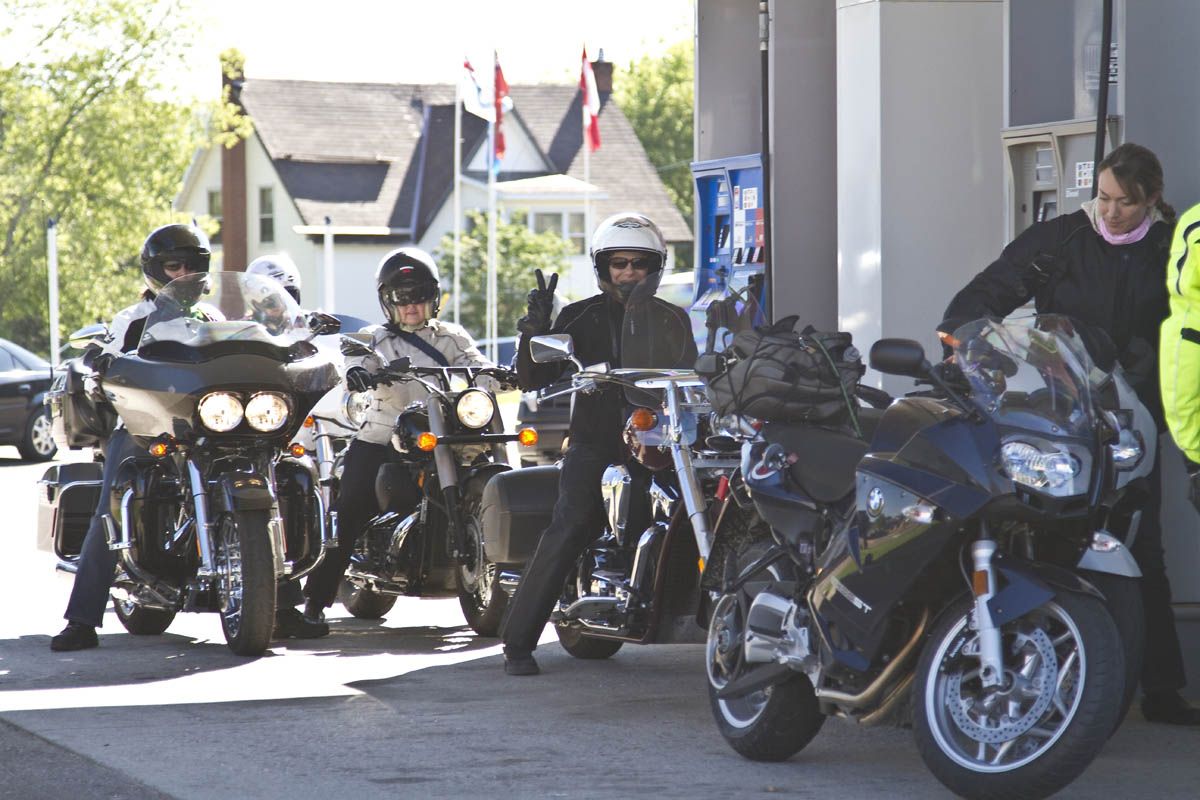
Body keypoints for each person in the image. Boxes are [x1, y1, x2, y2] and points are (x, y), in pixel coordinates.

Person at [942, 142, 1200, 724]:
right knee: (1044, 539)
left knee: (1143, 550)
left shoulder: (1173, 248)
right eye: (1103, 198)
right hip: (1061, 415)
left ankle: (1159, 689)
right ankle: (1041, 673)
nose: (1109, 213)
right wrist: (961, 341)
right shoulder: (1061, 238)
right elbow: (990, 290)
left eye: (1125, 203)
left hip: (1140, 421)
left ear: (1153, 200)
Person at [500, 212, 697, 676]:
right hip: (596, 444)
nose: (628, 272)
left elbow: (694, 374)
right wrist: (533, 330)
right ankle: (518, 642)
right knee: (572, 523)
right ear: (603, 266)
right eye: (619, 263)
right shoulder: (580, 316)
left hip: (659, 440)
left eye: (639, 263)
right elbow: (532, 378)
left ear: (655, 267)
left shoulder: (673, 320)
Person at [300, 246, 493, 623]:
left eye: (419, 297)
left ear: (433, 298)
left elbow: (477, 366)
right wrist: (358, 373)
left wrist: (501, 374)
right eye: (401, 299)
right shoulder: (375, 339)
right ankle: (315, 605)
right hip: (384, 435)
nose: (411, 306)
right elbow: (355, 359)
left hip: (443, 433)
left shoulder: (451, 337)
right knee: (351, 508)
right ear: (387, 302)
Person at [50, 223, 212, 651]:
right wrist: (101, 360)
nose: (182, 274)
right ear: (155, 270)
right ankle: (82, 620)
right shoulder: (133, 319)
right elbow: (111, 365)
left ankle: (281, 603)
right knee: (111, 508)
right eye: (173, 266)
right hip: (143, 427)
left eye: (191, 266)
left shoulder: (214, 321)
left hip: (205, 428)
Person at [243, 254, 329, 639]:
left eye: (286, 293)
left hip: (289, 434)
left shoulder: (308, 329)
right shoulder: (238, 330)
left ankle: (288, 602)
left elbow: (334, 356)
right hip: (242, 434)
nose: (278, 303)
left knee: (298, 484)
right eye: (269, 296)